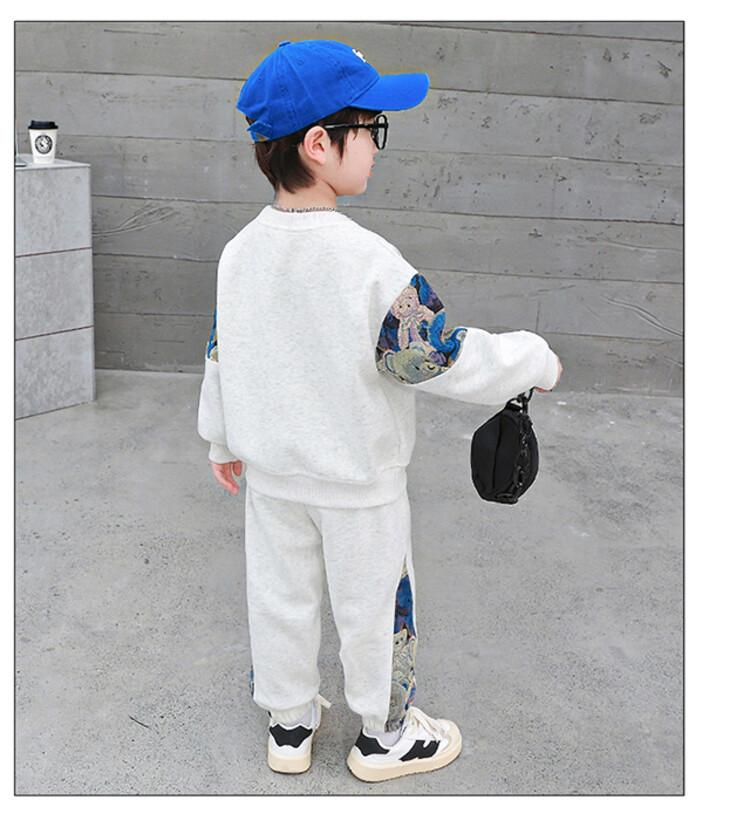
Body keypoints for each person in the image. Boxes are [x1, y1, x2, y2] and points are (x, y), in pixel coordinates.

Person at [197, 39, 563, 784]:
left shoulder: (239, 252)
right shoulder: (369, 263)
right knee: (374, 611)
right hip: (360, 486)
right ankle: (384, 738)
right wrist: (533, 359)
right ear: (319, 143)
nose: (375, 144)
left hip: (272, 478)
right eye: (370, 127)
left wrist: (220, 438)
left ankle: (289, 724)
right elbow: (436, 356)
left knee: (279, 599)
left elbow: (222, 351)